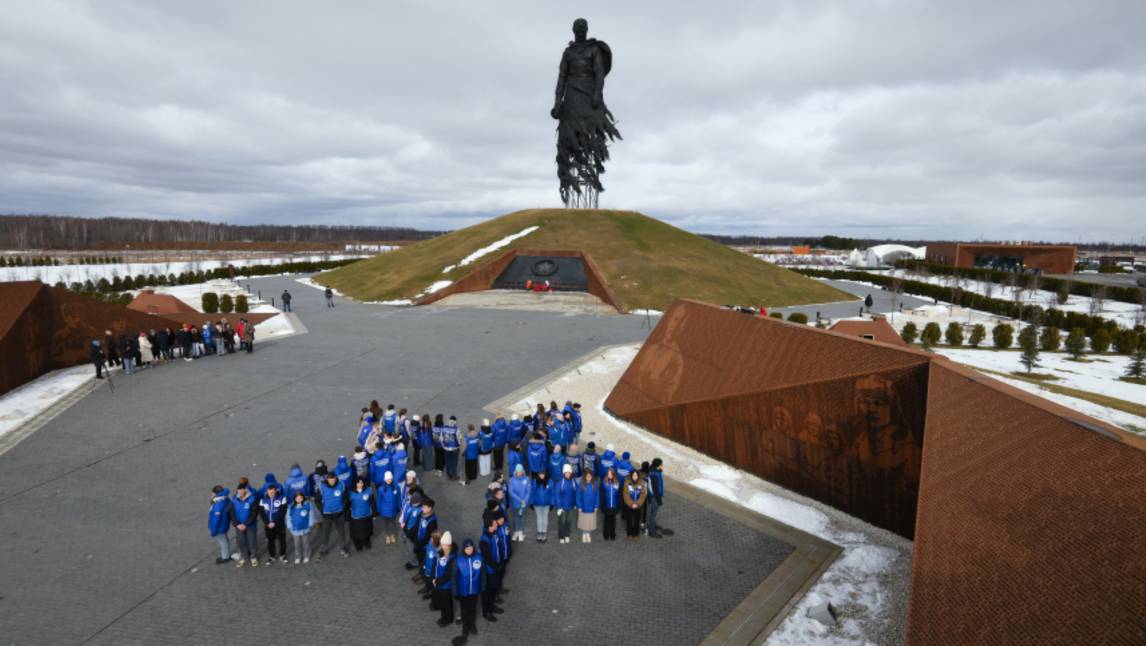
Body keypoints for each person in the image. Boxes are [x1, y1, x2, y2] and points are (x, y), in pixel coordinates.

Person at [314, 471, 351, 559]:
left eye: (333, 479)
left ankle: (343, 548)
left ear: (336, 478)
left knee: (341, 532)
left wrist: (344, 507)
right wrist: (322, 510)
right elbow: (317, 500)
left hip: (339, 513)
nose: (332, 481)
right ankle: (324, 550)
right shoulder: (321, 487)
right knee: (325, 534)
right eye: (330, 480)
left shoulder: (341, 485)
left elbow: (346, 497)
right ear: (327, 479)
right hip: (327, 515)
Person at [454, 538, 483, 643]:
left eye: (470, 548)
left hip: (474, 590)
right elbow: (453, 577)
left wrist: (483, 586)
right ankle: (465, 627)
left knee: (473, 609)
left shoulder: (479, 558)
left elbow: (483, 574)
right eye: (467, 548)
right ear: (464, 549)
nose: (469, 550)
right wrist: (455, 591)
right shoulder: (458, 560)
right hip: (463, 591)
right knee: (465, 610)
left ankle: (472, 624)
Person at [478, 517, 504, 622]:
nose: (496, 524)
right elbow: (487, 558)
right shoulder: (484, 540)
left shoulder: (494, 534)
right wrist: (497, 566)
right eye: (494, 523)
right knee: (487, 593)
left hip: (495, 568)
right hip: (488, 571)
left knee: (493, 589)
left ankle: (491, 606)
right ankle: (486, 612)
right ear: (489, 526)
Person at [259, 483, 288, 564]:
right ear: (267, 492)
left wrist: (274, 522)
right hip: (268, 525)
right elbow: (262, 513)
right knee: (270, 541)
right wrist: (267, 523)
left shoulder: (282, 498)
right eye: (269, 492)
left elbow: (282, 512)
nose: (271, 493)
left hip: (279, 524)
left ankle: (282, 555)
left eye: (273, 492)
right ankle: (272, 556)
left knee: (282, 540)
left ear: (275, 491)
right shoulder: (263, 500)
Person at [232, 482, 259, 567]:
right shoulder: (234, 500)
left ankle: (253, 557)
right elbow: (231, 514)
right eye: (238, 491)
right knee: (240, 541)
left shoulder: (252, 499)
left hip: (250, 525)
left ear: (245, 490)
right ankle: (243, 557)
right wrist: (237, 524)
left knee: (252, 541)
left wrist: (245, 524)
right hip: (239, 526)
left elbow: (254, 514)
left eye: (241, 491)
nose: (240, 493)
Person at [433, 532, 456, 627]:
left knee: (446, 603)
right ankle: (444, 617)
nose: (443, 546)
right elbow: (437, 566)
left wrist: (437, 581)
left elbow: (448, 574)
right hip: (440, 583)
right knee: (443, 602)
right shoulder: (441, 552)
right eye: (442, 544)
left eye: (445, 545)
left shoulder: (452, 557)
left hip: (446, 585)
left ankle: (447, 619)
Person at [348, 477, 375, 551]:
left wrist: (374, 512)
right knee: (356, 532)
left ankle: (367, 543)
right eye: (358, 483)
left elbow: (372, 502)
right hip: (356, 516)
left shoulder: (368, 490)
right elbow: (347, 504)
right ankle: (358, 545)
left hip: (366, 514)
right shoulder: (351, 493)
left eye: (362, 483)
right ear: (355, 484)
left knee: (367, 531)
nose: (360, 484)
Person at [507, 464, 532, 542]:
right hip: (516, 503)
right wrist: (520, 499)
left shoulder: (527, 479)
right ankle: (516, 531)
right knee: (516, 517)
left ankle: (520, 532)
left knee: (523, 517)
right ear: (515, 472)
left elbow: (528, 491)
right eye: (518, 472)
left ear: (522, 471)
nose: (519, 473)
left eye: (520, 471)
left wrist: (525, 500)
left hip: (524, 503)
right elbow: (511, 492)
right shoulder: (512, 480)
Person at [208, 485, 232, 564]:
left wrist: (213, 531)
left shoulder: (217, 504)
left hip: (220, 526)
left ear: (216, 493)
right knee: (224, 539)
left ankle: (225, 556)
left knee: (222, 541)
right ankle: (226, 554)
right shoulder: (226, 499)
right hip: (224, 523)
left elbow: (216, 519)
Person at [622, 470, 648, 540]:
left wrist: (637, 504)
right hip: (629, 505)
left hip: (638, 506)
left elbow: (643, 495)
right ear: (631, 476)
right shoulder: (626, 483)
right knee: (629, 520)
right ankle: (629, 533)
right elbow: (625, 494)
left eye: (636, 475)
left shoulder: (642, 483)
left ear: (638, 476)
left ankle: (636, 534)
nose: (634, 477)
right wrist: (631, 504)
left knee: (637, 520)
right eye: (633, 475)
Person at [287, 491, 313, 564]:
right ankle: (298, 556)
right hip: (295, 529)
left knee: (306, 543)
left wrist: (310, 523)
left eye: (300, 497)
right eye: (297, 498)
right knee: (297, 544)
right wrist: (290, 526)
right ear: (294, 498)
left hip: (305, 528)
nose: (299, 499)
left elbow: (311, 515)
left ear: (303, 498)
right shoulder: (291, 507)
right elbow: (288, 517)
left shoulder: (307, 505)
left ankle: (306, 556)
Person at [555, 464, 577, 544]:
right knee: (562, 522)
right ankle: (561, 536)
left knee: (569, 521)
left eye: (569, 472)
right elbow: (557, 495)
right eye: (566, 472)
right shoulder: (560, 482)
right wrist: (559, 507)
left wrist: (575, 504)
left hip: (571, 506)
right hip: (563, 507)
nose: (568, 474)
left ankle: (567, 535)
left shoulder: (573, 481)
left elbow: (576, 493)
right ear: (564, 473)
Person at [377, 471, 401, 544]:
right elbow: (379, 500)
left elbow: (398, 498)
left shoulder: (397, 487)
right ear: (385, 479)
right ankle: (387, 536)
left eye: (390, 479)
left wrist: (399, 506)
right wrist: (379, 509)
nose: (389, 481)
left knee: (393, 523)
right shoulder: (381, 489)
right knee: (385, 524)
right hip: (384, 511)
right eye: (387, 479)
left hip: (393, 509)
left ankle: (392, 535)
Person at [576, 469, 599, 543]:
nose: (589, 477)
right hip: (583, 506)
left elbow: (597, 496)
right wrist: (579, 506)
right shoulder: (581, 484)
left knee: (589, 521)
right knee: (584, 521)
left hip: (592, 506)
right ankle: (584, 534)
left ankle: (588, 534)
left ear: (592, 476)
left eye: (590, 476)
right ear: (585, 476)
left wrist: (596, 505)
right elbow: (578, 495)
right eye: (587, 476)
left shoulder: (595, 484)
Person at [531, 470, 553, 542]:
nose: (542, 476)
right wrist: (531, 502)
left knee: (545, 518)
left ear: (545, 474)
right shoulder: (534, 481)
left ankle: (544, 532)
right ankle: (539, 532)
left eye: (543, 474)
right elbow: (532, 492)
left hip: (546, 503)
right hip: (537, 503)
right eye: (540, 474)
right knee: (539, 518)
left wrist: (552, 503)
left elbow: (552, 493)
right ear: (538, 474)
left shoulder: (549, 481)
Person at [600, 467, 621, 541]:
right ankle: (606, 534)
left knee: (613, 521)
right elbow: (601, 495)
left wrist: (619, 506)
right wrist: (602, 506)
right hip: (607, 505)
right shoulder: (603, 482)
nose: (609, 475)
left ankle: (612, 534)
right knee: (606, 520)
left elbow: (619, 495)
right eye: (608, 473)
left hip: (614, 506)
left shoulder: (617, 482)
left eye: (611, 473)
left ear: (613, 474)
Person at [647, 457, 665, 538]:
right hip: (655, 496)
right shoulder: (655, 474)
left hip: (654, 495)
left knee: (653, 513)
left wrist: (659, 471)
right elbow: (655, 489)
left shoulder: (654, 471)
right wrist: (659, 500)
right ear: (658, 465)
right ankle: (652, 531)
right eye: (661, 464)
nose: (662, 465)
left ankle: (653, 525)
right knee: (653, 514)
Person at [442, 416, 461, 481]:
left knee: (447, 462)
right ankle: (453, 475)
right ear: (455, 421)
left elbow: (441, 438)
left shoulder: (444, 427)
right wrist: (459, 445)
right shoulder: (456, 428)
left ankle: (448, 475)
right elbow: (459, 439)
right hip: (454, 448)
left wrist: (443, 446)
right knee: (454, 462)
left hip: (446, 448)